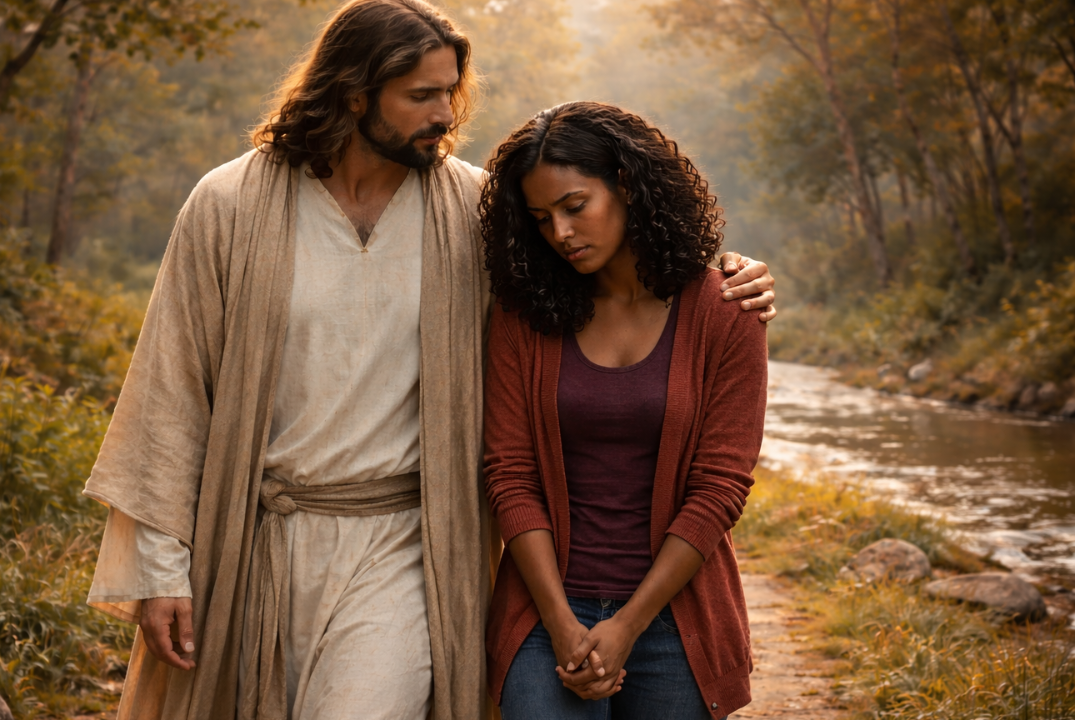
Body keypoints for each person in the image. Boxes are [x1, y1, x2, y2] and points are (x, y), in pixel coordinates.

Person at [81, 3, 777, 719]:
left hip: (404, 543)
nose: (446, 113)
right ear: (354, 93)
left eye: (451, 92)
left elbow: (610, 259)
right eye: (422, 95)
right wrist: (163, 570)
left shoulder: (473, 212)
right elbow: (170, 395)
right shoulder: (227, 206)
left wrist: (727, 272)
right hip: (253, 536)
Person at [480, 101, 768, 720]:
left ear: (630, 187)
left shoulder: (726, 309)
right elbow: (510, 472)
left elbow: (720, 486)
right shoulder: (524, 313)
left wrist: (630, 624)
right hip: (546, 608)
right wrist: (560, 624)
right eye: (540, 218)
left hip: (674, 616)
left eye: (575, 206)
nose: (560, 233)